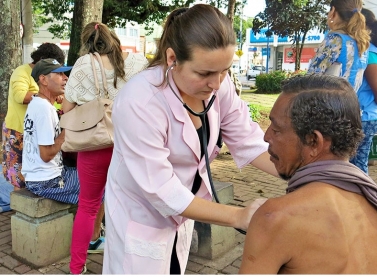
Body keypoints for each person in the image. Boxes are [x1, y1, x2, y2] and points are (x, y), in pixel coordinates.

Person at [103, 4, 278, 274]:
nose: (217, 84)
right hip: (140, 216)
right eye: (204, 73)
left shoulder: (220, 85)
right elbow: (162, 189)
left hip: (183, 215)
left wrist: (305, 173)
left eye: (224, 70)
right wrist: (239, 216)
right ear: (172, 58)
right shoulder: (140, 100)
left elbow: (249, 141)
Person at [239, 74, 377, 274]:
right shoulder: (371, 204)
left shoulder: (275, 218)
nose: (266, 136)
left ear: (313, 141)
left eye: (276, 129)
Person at [62, 22, 149, 275]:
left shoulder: (83, 65)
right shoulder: (137, 62)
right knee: (130, 204)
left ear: (87, 42)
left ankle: (76, 268)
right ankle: (129, 266)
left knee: (88, 206)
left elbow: (67, 109)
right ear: (114, 39)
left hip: (94, 145)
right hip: (131, 143)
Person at [2, 43, 66, 190]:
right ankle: (20, 206)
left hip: (39, 132)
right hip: (18, 131)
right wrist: (46, 95)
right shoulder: (22, 72)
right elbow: (20, 96)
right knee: (19, 176)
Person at [21, 58, 81, 204]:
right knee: (99, 182)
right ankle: (95, 225)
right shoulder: (44, 109)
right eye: (59, 74)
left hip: (39, 177)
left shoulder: (38, 103)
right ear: (43, 80)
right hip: (47, 181)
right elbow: (46, 155)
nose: (66, 78)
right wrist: (68, 129)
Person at [307, 0, 370, 93]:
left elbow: (311, 78)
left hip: (329, 103)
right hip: (350, 103)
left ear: (333, 10)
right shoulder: (362, 42)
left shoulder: (335, 39)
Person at [350, 8, 377, 173]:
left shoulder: (370, 54)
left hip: (365, 118)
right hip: (361, 116)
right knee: (354, 165)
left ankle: (366, 197)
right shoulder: (364, 52)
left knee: (357, 167)